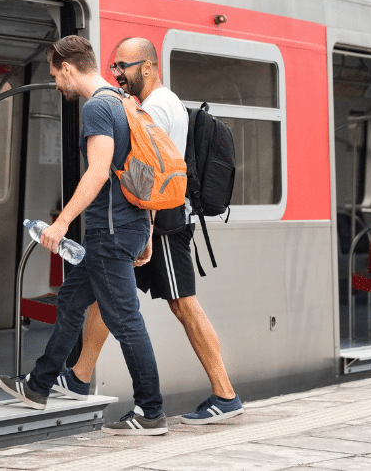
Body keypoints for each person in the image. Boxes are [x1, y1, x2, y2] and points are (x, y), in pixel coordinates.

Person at [50, 37, 244, 425]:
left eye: (125, 66)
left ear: (149, 67)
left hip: (164, 225)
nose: (118, 74)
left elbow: (149, 174)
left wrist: (147, 233)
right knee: (108, 294)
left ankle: (224, 394)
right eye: (115, 67)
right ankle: (79, 377)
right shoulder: (150, 104)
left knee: (183, 304)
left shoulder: (156, 106)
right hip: (149, 223)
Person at [0, 35, 167, 436]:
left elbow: (98, 171)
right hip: (129, 225)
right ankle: (39, 385)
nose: (57, 83)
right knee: (72, 301)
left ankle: (152, 411)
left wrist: (62, 223)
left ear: (69, 67)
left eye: (57, 74)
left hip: (109, 232)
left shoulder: (98, 107)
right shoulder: (127, 103)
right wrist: (148, 231)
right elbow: (148, 170)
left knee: (126, 321)